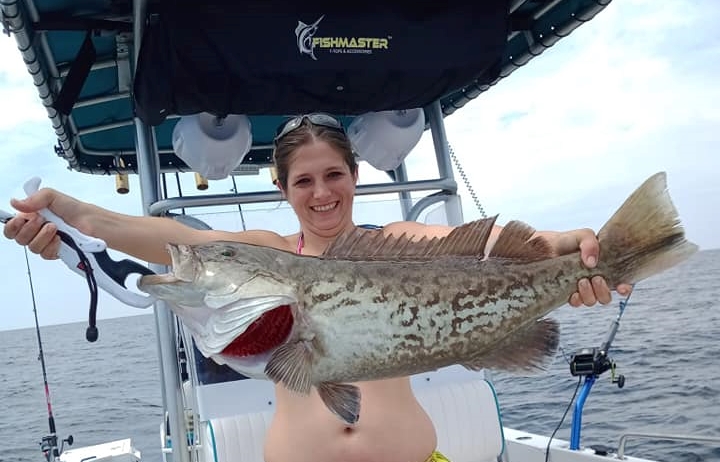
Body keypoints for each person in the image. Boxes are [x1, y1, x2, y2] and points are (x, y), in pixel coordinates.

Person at [4, 113, 632, 462]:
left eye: (334, 174)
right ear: (282, 189)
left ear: (355, 177)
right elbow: (165, 239)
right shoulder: (274, 258)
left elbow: (485, 249)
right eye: (303, 181)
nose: (322, 192)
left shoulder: (399, 241)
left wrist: (565, 250)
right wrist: (73, 214)